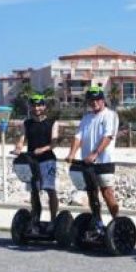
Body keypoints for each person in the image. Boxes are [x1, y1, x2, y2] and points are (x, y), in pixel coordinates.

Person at [66, 85, 120, 217]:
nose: (94, 102)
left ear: (103, 100)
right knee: (91, 193)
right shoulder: (86, 118)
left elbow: (108, 137)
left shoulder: (110, 115)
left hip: (105, 161)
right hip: (87, 162)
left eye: (97, 99)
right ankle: (97, 221)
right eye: (91, 100)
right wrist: (72, 154)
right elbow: (78, 137)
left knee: (107, 192)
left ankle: (117, 221)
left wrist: (95, 154)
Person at [13, 94, 60, 219]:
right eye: (33, 105)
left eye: (39, 105)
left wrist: (42, 149)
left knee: (50, 189)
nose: (36, 108)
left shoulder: (52, 122)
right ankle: (35, 218)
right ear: (30, 107)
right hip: (31, 161)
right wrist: (18, 148)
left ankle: (53, 219)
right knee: (34, 191)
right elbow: (22, 139)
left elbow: (54, 143)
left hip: (48, 160)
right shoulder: (27, 123)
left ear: (44, 106)